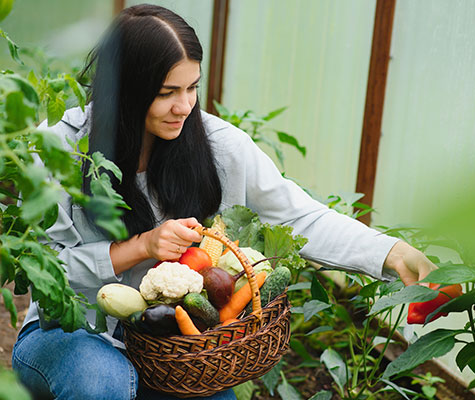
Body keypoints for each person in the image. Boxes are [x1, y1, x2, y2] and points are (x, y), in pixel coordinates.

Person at [11, 4, 435, 400]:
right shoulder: (61, 152)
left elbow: (298, 216)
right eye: (166, 92)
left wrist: (393, 254)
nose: (185, 106)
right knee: (100, 380)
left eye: (192, 87)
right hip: (70, 335)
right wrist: (139, 248)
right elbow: (42, 273)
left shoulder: (217, 145)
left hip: (179, 345)